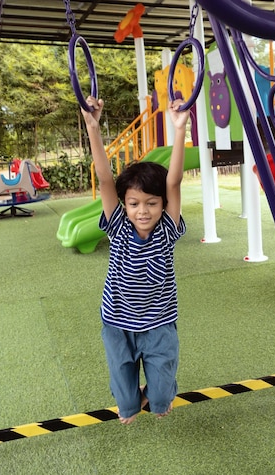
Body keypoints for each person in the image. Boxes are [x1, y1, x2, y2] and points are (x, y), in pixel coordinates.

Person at [81, 95, 190, 424]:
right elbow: (103, 178)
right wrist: (92, 128)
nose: (143, 211)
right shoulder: (117, 225)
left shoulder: (167, 230)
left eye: (152, 203)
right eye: (134, 203)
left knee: (159, 401)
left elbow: (174, 180)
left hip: (158, 324)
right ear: (125, 205)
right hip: (117, 322)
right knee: (127, 408)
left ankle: (157, 389)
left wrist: (179, 128)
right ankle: (132, 396)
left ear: (162, 205)